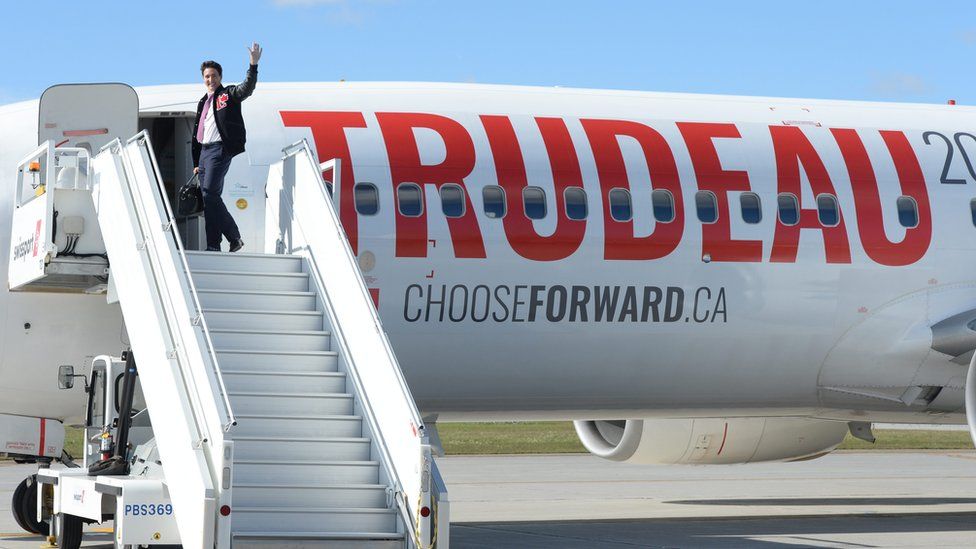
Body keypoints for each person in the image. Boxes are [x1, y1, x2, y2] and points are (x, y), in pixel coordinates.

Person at [191, 42, 263, 252]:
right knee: (208, 199)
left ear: (220, 77)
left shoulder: (227, 95)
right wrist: (196, 162)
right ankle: (213, 245)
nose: (210, 80)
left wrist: (253, 65)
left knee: (210, 194)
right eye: (207, 76)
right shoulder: (203, 101)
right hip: (204, 152)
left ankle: (234, 237)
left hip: (219, 150)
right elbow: (197, 132)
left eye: (214, 76)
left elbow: (246, 88)